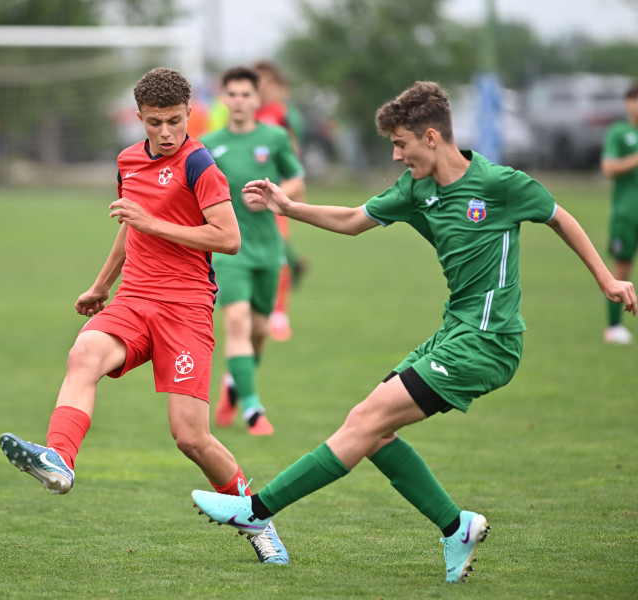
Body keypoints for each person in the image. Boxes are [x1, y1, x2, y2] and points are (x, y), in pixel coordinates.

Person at [191, 81, 637, 582]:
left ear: (431, 136)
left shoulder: (501, 183)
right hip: (454, 332)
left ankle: (257, 508)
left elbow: (560, 218)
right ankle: (456, 526)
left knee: (364, 420)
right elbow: (354, 219)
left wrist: (607, 279)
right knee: (375, 433)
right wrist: (288, 207)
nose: (397, 156)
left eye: (401, 144)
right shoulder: (416, 190)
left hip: (489, 342)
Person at [0, 67, 289, 565]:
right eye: (155, 123)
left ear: (189, 114)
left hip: (186, 308)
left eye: (175, 120)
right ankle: (59, 460)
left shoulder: (200, 165)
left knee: (190, 436)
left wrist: (156, 223)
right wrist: (101, 285)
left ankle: (257, 519)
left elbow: (228, 237)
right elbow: (128, 227)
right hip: (134, 297)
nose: (167, 132)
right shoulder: (128, 160)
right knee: (83, 353)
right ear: (140, 118)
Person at [201, 67, 306, 436]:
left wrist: (275, 195)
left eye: (246, 94)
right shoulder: (209, 143)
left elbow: (298, 179)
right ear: (224, 99)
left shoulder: (275, 137)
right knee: (236, 323)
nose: (239, 101)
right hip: (229, 251)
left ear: (258, 99)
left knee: (259, 329)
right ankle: (252, 410)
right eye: (232, 94)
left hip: (268, 249)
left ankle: (234, 384)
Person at [253, 59, 309, 342]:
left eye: (263, 79)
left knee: (278, 250)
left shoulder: (281, 114)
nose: (259, 85)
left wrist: (293, 189)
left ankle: (279, 314)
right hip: (244, 197)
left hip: (274, 194)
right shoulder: (241, 113)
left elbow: (293, 157)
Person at [601, 80, 638, 344]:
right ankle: (613, 327)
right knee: (621, 271)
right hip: (627, 214)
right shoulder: (619, 132)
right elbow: (609, 168)